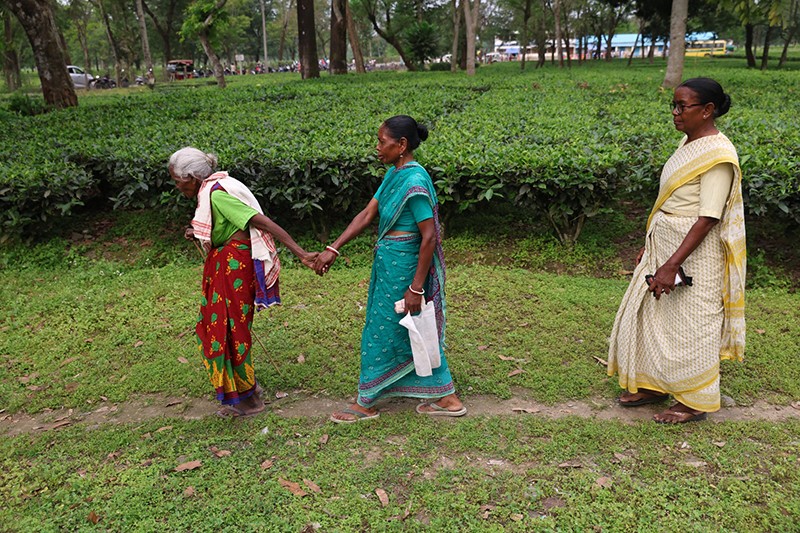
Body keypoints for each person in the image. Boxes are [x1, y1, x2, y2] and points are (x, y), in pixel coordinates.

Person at [607, 78, 746, 424]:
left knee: (693, 323)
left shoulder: (718, 157)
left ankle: (695, 401)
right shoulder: (688, 143)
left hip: (693, 252)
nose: (675, 112)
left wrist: (671, 265)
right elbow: (671, 200)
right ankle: (654, 384)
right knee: (656, 318)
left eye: (683, 106)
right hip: (667, 245)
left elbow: (708, 217)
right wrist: (651, 248)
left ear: (708, 110)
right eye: (674, 104)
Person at [315, 115, 467, 423]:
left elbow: (429, 236)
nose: (377, 147)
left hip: (405, 268)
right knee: (406, 328)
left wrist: (416, 287)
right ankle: (445, 397)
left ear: (402, 145)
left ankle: (366, 401)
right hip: (389, 266)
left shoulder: (414, 180)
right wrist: (334, 247)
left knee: (384, 330)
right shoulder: (393, 175)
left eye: (382, 142)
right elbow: (368, 213)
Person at [169, 147, 317, 417]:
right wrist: (198, 232)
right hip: (226, 264)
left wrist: (301, 253)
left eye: (178, 182)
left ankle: (248, 400)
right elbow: (227, 228)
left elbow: (262, 222)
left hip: (233, 267)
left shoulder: (217, 195)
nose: (178, 188)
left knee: (229, 329)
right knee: (226, 327)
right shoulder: (218, 188)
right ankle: (245, 391)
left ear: (191, 177)